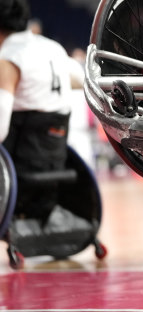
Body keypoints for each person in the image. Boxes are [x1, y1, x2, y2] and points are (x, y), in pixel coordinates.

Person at [0, 0, 80, 223]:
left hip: (22, 162)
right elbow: (82, 80)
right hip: (55, 155)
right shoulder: (52, 47)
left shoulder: (8, 59)